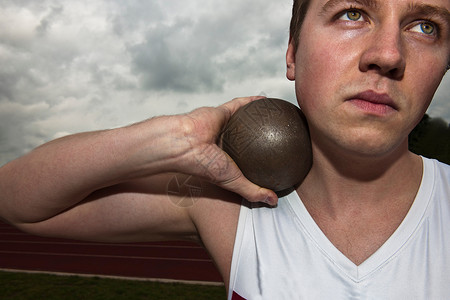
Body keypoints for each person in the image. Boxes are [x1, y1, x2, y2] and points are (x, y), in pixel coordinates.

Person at [0, 0, 449, 298]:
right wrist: (170, 138)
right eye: (352, 13)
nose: (388, 54)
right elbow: (19, 202)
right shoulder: (222, 203)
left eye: (426, 26)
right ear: (292, 54)